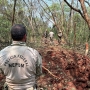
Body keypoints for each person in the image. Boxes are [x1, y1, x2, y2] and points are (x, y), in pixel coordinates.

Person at [0, 24, 42, 90]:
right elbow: (38, 73)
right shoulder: (34, 53)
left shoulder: (2, 53)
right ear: (25, 36)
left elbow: (2, 72)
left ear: (11, 36)